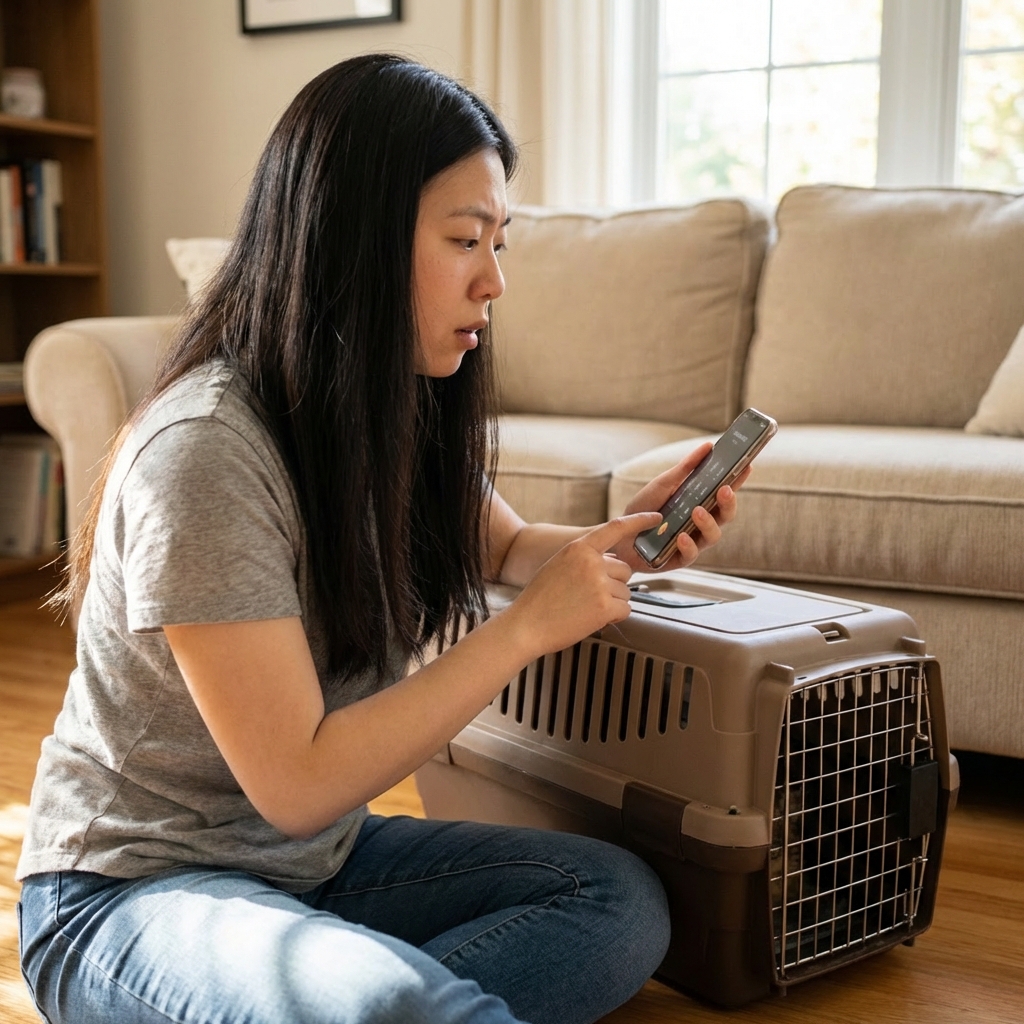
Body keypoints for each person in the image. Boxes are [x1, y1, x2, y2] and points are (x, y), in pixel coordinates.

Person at [17, 55, 747, 1024]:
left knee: (616, 899)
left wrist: (624, 545)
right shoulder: (204, 452)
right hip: (130, 892)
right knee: (397, 1005)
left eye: (500, 240)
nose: (494, 279)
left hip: (316, 868)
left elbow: (509, 546)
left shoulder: (386, 411)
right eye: (464, 239)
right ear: (350, 241)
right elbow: (301, 783)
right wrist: (525, 629)